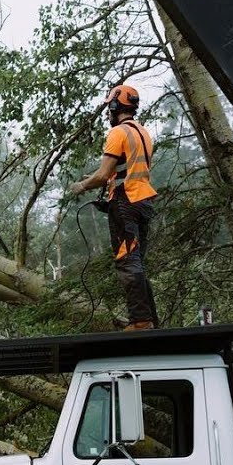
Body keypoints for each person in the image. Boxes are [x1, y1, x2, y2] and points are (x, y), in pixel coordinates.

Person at [69, 85, 159, 331]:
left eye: (109, 108)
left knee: (127, 260)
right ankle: (150, 320)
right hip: (143, 201)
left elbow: (103, 175)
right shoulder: (143, 133)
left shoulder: (118, 133)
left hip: (125, 202)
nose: (108, 113)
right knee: (137, 261)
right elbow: (125, 170)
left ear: (115, 106)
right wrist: (101, 178)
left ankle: (140, 321)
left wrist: (82, 185)